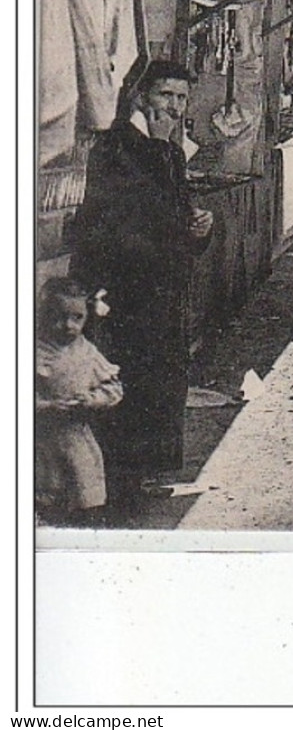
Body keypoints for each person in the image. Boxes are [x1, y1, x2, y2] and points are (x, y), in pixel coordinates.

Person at [68, 60, 213, 509]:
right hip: (123, 289)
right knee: (126, 380)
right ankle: (119, 484)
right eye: (166, 96)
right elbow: (105, 223)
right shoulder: (115, 148)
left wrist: (201, 228)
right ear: (142, 97)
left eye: (182, 99)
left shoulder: (170, 152)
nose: (174, 106)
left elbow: (179, 213)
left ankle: (144, 476)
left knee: (161, 381)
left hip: (163, 288)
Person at [35, 278, 123, 526]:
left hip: (77, 437)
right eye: (58, 317)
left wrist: (93, 400)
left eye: (77, 318)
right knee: (48, 499)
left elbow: (113, 387)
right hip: (42, 440)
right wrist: (45, 406)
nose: (68, 326)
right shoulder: (32, 352)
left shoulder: (87, 352)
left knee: (85, 493)